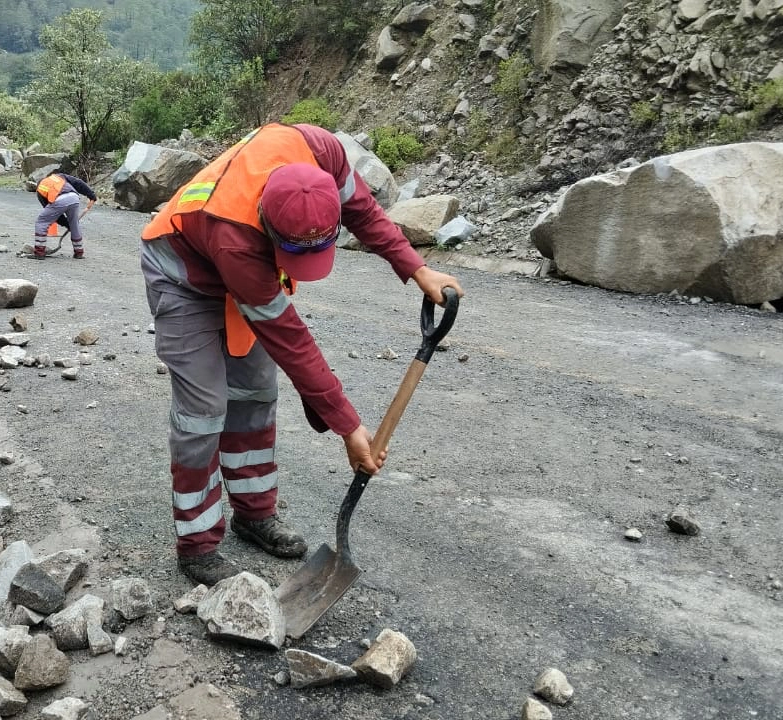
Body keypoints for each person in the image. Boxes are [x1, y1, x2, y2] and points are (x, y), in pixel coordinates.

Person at [139, 123, 464, 586]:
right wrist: (349, 427)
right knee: (204, 410)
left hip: (237, 259)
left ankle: (253, 515)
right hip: (181, 274)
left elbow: (365, 211)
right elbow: (290, 341)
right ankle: (197, 545)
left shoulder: (321, 153)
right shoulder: (236, 237)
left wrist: (416, 268)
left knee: (254, 392)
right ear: (268, 228)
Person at [33, 172, 97, 259]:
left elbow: (56, 216)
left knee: (42, 222)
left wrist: (65, 223)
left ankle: (39, 252)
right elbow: (78, 183)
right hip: (74, 197)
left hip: (59, 199)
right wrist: (91, 195)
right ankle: (79, 252)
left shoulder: (40, 190)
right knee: (74, 223)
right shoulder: (59, 176)